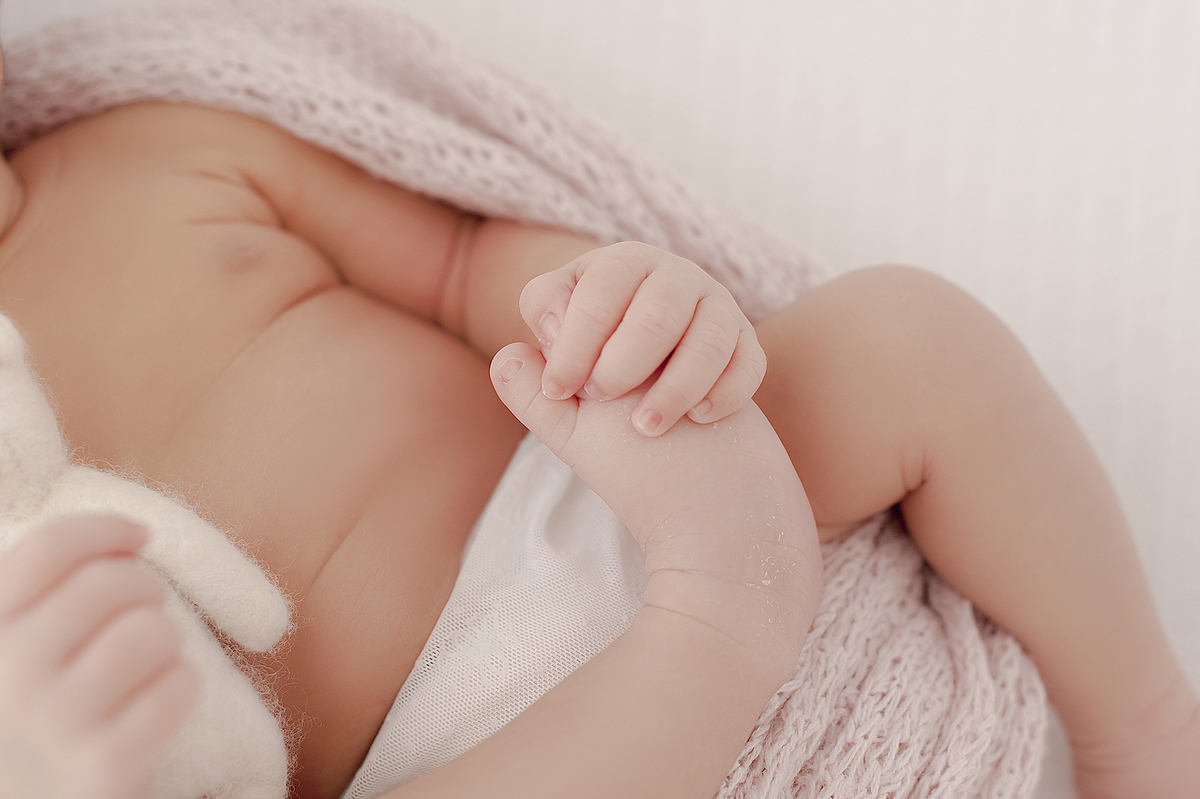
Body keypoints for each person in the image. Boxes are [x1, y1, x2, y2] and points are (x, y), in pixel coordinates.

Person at [0, 66, 1195, 799]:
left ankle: (1143, 730)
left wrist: (616, 314)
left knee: (909, 338)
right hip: (447, 757)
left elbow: (459, 259)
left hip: (597, 485)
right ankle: (719, 624)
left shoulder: (153, 153)